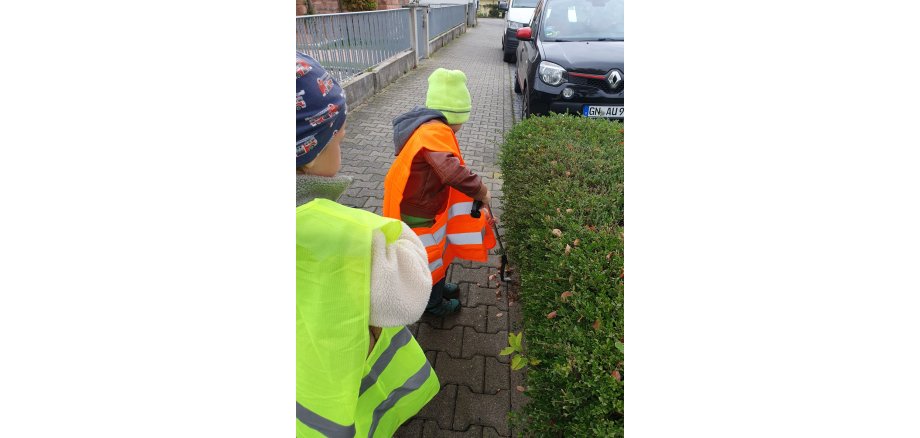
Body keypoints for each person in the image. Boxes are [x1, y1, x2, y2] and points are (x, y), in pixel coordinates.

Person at [295, 52, 439, 438]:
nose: (344, 133)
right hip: (330, 411)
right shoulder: (348, 235)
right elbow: (410, 294)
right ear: (306, 156)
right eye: (335, 130)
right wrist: (391, 232)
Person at [383, 68, 497, 317]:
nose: (462, 127)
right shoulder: (434, 133)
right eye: (461, 121)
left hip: (423, 204)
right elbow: (450, 171)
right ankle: (433, 305)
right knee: (429, 257)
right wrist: (481, 190)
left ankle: (438, 287)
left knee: (436, 250)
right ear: (452, 114)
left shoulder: (427, 126)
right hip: (419, 209)